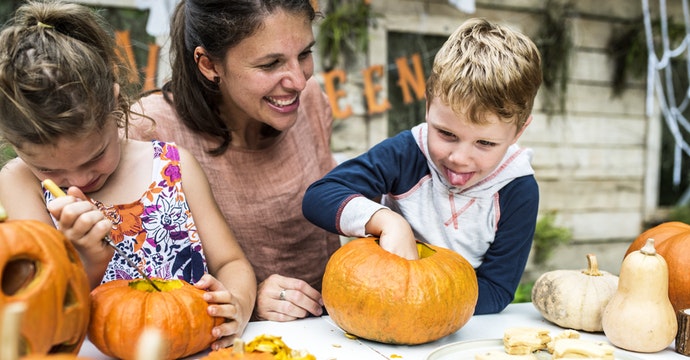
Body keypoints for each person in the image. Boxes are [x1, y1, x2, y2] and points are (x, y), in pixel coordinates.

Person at [0, 0, 256, 349]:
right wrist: (84, 258)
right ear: (15, 146)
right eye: (49, 170)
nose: (77, 181)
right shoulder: (19, 184)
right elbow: (41, 312)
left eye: (96, 155)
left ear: (116, 106)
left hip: (195, 348)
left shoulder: (172, 167)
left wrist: (237, 304)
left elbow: (231, 262)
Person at [303, 17, 543, 315]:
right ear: (428, 106)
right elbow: (320, 196)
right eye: (446, 134)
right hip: (380, 304)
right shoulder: (407, 153)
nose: (459, 158)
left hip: (452, 325)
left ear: (518, 132)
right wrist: (389, 221)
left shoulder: (518, 190)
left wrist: (421, 304)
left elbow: (497, 290)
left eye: (485, 144)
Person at [127, 0, 340, 322]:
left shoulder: (311, 101)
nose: (298, 81)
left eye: (305, 54)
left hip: (334, 331)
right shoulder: (148, 131)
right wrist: (245, 300)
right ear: (209, 64)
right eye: (270, 64)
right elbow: (129, 285)